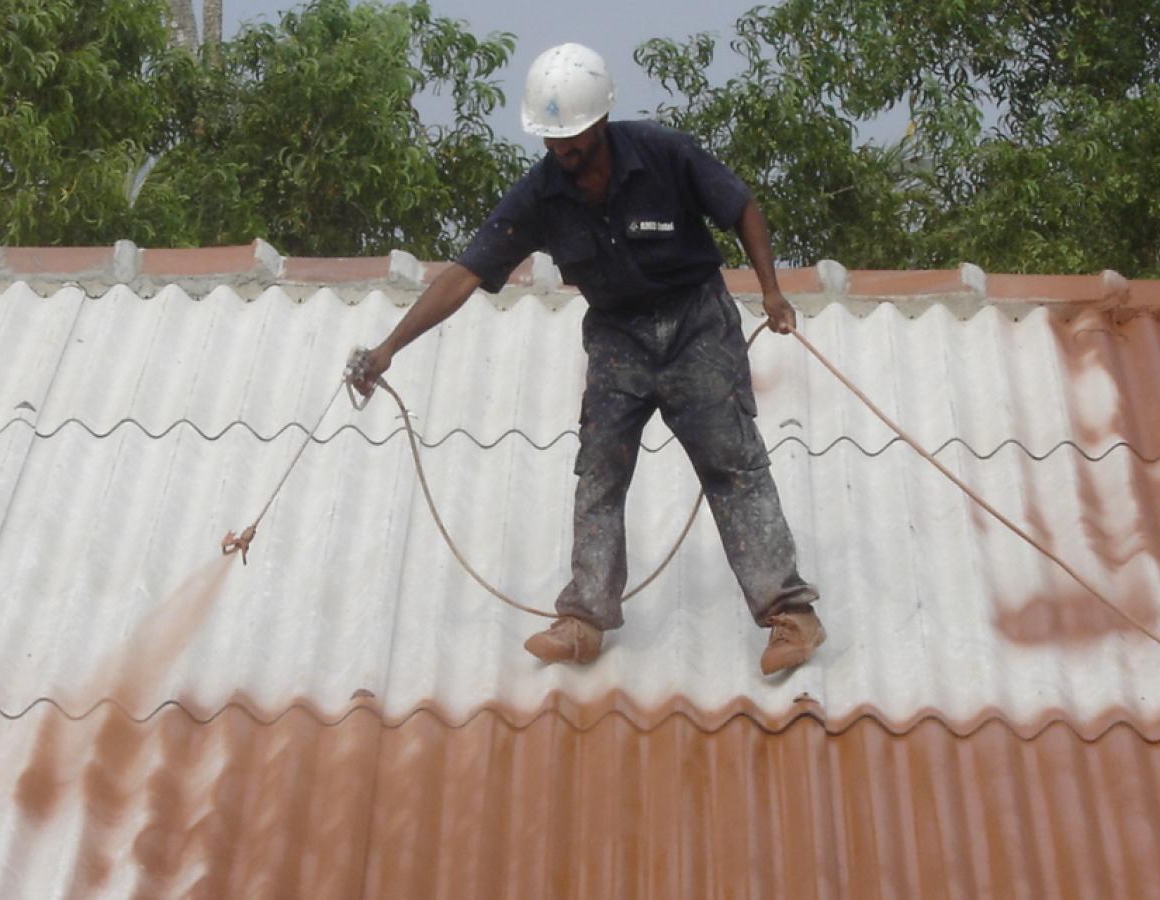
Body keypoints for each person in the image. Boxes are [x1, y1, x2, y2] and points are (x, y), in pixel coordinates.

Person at [351, 43, 824, 674]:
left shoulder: (664, 153)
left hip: (696, 323)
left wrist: (770, 289)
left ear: (601, 120)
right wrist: (387, 349)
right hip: (617, 337)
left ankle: (791, 616)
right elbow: (464, 274)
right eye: (553, 140)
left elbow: (741, 208)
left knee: (729, 462)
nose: (564, 152)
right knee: (599, 472)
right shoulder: (540, 195)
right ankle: (584, 620)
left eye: (574, 138)